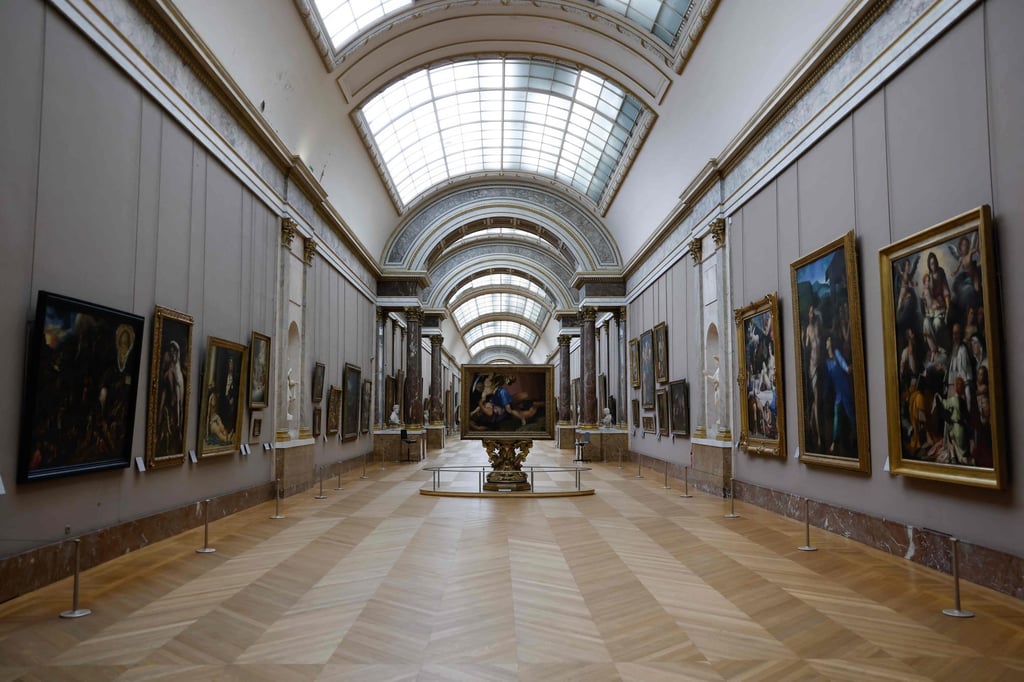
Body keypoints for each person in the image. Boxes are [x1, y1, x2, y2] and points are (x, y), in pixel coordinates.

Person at [824, 335, 855, 455]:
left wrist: (847, 368)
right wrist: (825, 393)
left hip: (844, 389)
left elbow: (843, 364)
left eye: (828, 340)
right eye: (827, 341)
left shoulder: (837, 353)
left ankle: (855, 434)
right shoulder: (827, 361)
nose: (827, 342)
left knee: (849, 413)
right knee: (837, 416)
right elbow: (828, 379)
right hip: (838, 392)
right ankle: (834, 441)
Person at [156, 339, 185, 455]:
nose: (172, 354)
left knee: (177, 415)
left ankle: (177, 432)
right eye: (171, 351)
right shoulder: (169, 371)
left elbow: (179, 401)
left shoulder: (178, 370)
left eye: (174, 351)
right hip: (169, 401)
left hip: (176, 402)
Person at [803, 303, 823, 447]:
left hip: (820, 365)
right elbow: (805, 348)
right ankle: (819, 436)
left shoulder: (817, 327)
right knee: (816, 400)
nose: (812, 314)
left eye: (813, 312)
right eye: (810, 312)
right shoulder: (808, 330)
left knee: (818, 400)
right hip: (812, 366)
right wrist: (803, 338)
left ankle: (810, 424)